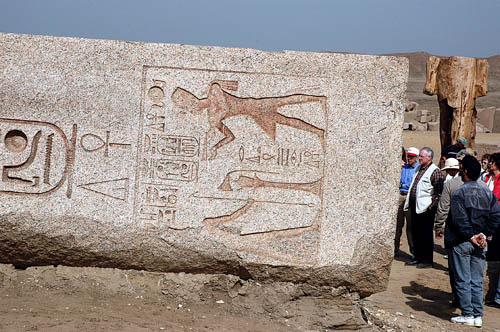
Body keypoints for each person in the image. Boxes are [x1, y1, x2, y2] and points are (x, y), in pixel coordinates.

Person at [448, 155, 500, 327]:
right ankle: (477, 315)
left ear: (466, 171)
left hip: (464, 241)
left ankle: (468, 314)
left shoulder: (459, 193)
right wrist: (484, 235)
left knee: (463, 279)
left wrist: (473, 236)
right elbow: (495, 216)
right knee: (476, 280)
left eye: (462, 169)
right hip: (480, 242)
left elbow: (459, 219)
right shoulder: (488, 193)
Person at [435, 154, 488, 308]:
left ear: (461, 168)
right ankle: (474, 308)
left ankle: (462, 303)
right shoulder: (484, 187)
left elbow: (443, 208)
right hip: (478, 235)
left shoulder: (452, 185)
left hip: (456, 234)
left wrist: (439, 226)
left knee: (456, 271)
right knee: (475, 274)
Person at [404, 147, 444, 268]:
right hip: (415, 206)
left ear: (429, 157)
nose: (420, 158)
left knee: (425, 235)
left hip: (426, 209)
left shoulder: (435, 171)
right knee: (416, 233)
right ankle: (417, 257)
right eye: (419, 156)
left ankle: (426, 260)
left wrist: (431, 207)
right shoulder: (419, 168)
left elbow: (438, 192)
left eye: (422, 156)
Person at [395, 147, 419, 257]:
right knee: (397, 225)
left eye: (411, 157)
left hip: (410, 197)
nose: (409, 158)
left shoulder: (418, 169)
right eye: (408, 156)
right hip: (401, 195)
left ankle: (414, 251)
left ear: (416, 158)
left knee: (411, 227)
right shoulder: (403, 167)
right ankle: (395, 248)